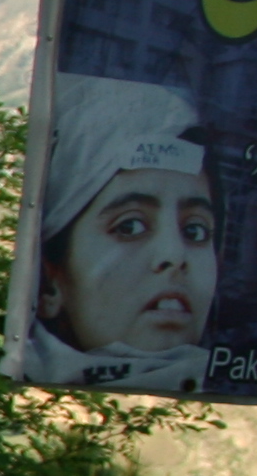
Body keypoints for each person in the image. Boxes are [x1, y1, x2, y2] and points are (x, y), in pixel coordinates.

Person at [23, 73, 216, 394]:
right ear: (50, 284)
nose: (174, 255)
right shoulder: (25, 396)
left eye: (195, 231)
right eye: (130, 227)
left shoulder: (237, 385)